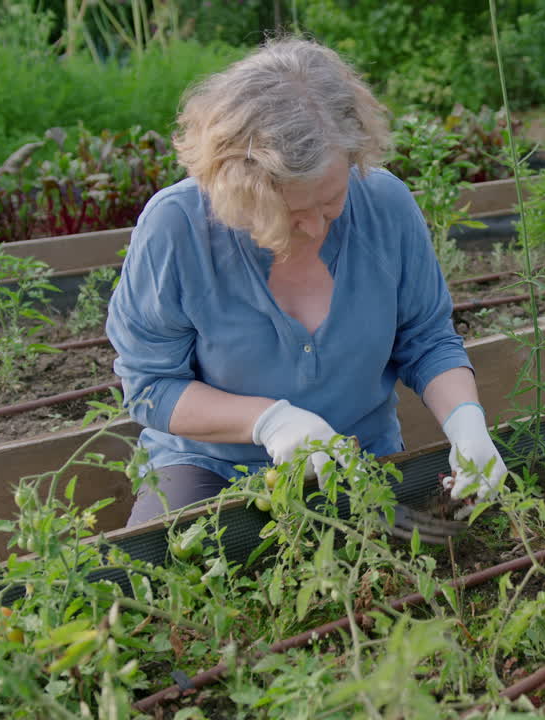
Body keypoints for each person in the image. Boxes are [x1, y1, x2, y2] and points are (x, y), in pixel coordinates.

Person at [107, 37, 507, 528]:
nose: (317, 227)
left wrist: (466, 424)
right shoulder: (177, 228)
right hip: (209, 465)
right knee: (171, 561)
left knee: (398, 567)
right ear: (239, 191)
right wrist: (268, 421)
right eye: (291, 212)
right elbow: (150, 386)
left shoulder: (385, 207)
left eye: (331, 200)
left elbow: (427, 340)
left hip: (357, 460)